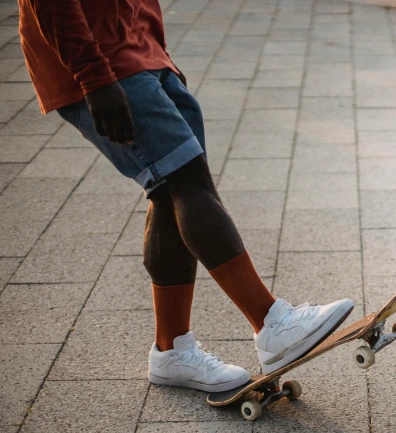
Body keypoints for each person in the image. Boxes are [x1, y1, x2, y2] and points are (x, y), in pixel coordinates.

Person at [18, 1, 354, 392]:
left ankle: (171, 350)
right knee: (189, 183)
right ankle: (272, 322)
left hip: (138, 50)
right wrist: (94, 78)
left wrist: (157, 54)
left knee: (168, 192)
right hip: (104, 63)